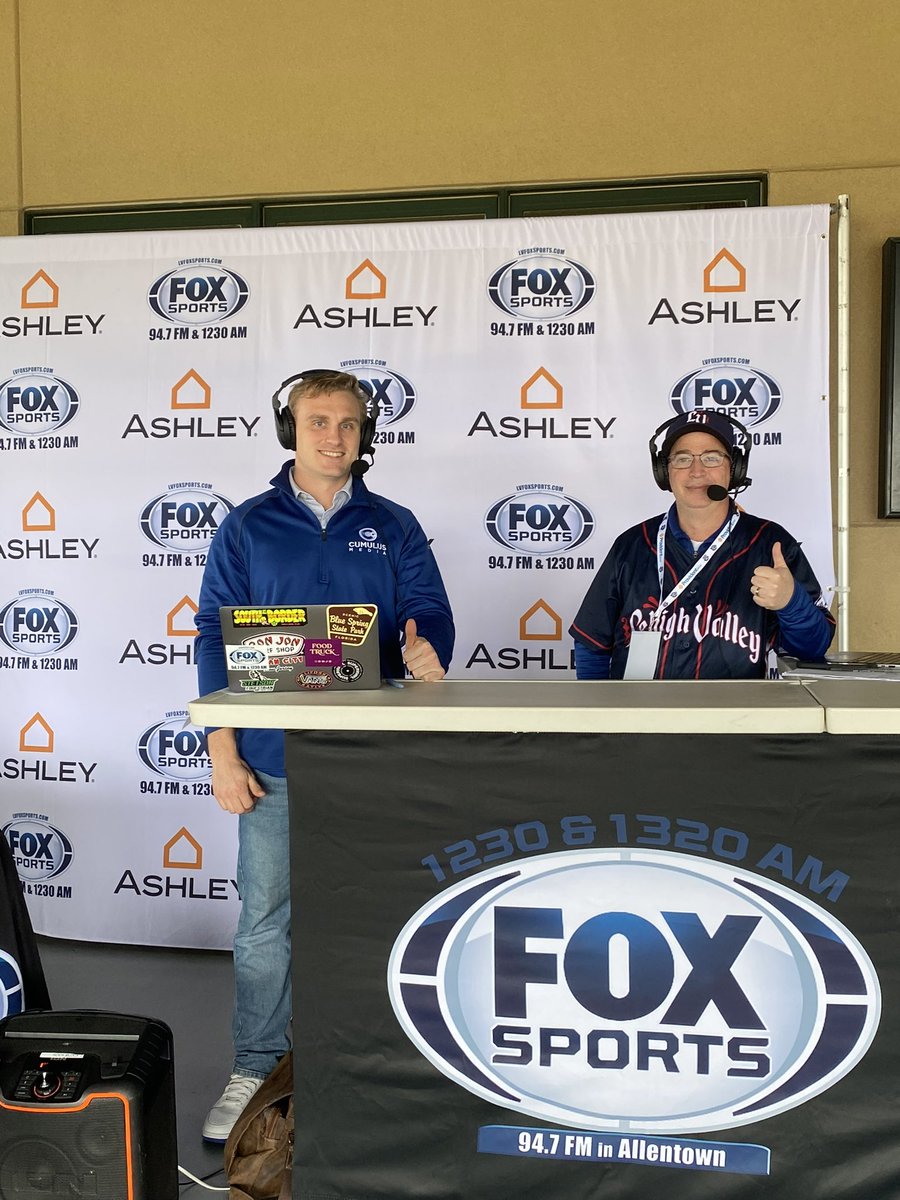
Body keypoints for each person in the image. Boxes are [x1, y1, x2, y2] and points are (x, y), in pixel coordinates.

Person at [194, 369, 454, 1141]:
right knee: (266, 922)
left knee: (381, 915)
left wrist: (428, 648)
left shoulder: (395, 523)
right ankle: (256, 1067)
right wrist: (222, 751)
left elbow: (428, 611)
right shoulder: (246, 525)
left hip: (374, 759)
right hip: (273, 763)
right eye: (318, 421)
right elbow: (214, 637)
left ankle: (371, 1067)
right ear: (291, 430)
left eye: (347, 422)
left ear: (363, 433)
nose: (334, 436)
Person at [570, 410, 834, 679]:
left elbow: (813, 649)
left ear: (735, 469)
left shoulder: (770, 543)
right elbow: (592, 644)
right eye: (682, 459)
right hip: (641, 717)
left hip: (738, 717)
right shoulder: (631, 545)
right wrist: (599, 716)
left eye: (711, 457)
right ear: (664, 472)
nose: (697, 471)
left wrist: (791, 603)